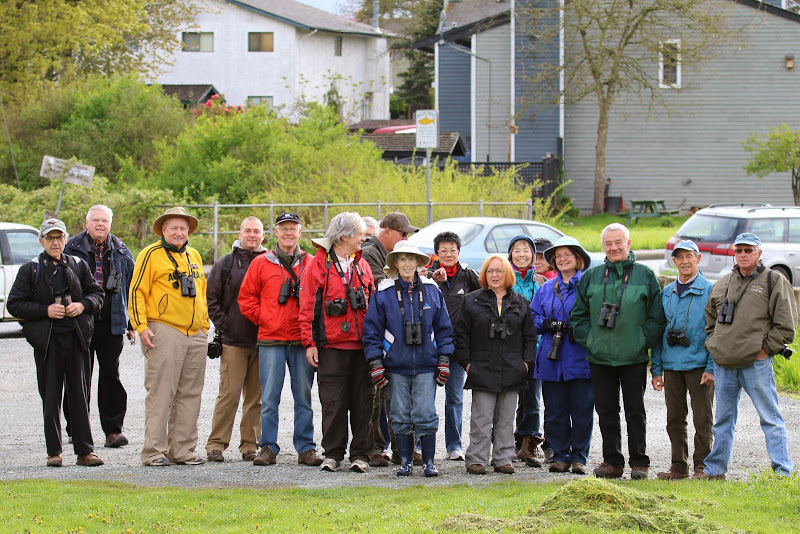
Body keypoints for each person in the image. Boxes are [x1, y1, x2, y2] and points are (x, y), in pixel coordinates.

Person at [696, 233, 797, 479]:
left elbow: (786, 325)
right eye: (739, 250)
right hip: (724, 364)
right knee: (722, 420)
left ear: (759, 253)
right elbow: (709, 321)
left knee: (770, 418)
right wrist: (714, 344)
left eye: (748, 250)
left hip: (756, 363)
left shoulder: (774, 281)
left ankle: (782, 472)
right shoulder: (723, 282)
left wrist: (764, 350)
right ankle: (715, 469)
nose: (743, 254)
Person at [571, 223, 665, 480]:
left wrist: (641, 340)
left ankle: (639, 462)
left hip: (633, 356)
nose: (613, 247)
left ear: (628, 243)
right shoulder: (592, 276)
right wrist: (590, 341)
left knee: (636, 410)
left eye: (618, 242)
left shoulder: (645, 275)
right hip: (600, 356)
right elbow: (577, 316)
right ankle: (612, 461)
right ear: (603, 247)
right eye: (608, 244)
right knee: (606, 410)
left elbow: (657, 317)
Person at [8, 218, 105, 467]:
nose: (55, 242)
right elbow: (15, 304)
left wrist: (82, 305)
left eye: (59, 237)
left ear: (66, 239)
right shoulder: (30, 269)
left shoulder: (78, 265)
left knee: (80, 397)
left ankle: (85, 451)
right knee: (51, 397)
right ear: (41, 241)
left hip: (76, 341)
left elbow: (97, 294)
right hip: (48, 344)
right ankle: (54, 452)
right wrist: (45, 310)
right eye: (50, 238)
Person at [238, 213, 323, 467]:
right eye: (283, 228)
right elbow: (246, 298)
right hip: (271, 339)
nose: (288, 233)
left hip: (301, 340)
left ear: (300, 232)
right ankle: (268, 446)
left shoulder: (310, 262)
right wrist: (265, 317)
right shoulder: (261, 263)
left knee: (304, 396)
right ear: (275, 232)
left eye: (293, 228)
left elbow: (321, 298)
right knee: (270, 397)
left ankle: (306, 447)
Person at [363, 241, 454, 476]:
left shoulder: (433, 290)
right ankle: (405, 461)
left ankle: (429, 462)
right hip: (395, 366)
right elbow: (372, 330)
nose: (407, 264)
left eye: (411, 259)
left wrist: (444, 359)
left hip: (426, 364)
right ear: (395, 263)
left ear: (418, 263)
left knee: (425, 413)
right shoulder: (382, 293)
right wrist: (375, 362)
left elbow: (444, 328)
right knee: (400, 415)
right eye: (402, 259)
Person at [129, 206, 209, 466]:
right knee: (161, 391)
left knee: (190, 393)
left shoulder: (194, 255)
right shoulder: (150, 255)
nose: (178, 232)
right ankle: (153, 451)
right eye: (173, 227)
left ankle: (182, 450)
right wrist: (141, 326)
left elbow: (202, 293)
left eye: (183, 228)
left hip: (194, 332)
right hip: (164, 328)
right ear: (163, 230)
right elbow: (136, 292)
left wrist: (204, 326)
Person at [299, 212, 375, 473]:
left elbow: (372, 304)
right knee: (333, 403)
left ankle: (361, 455)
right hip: (331, 347)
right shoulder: (318, 264)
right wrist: (310, 343)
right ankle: (332, 454)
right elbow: (308, 306)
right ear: (345, 236)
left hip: (363, 348)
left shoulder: (361, 264)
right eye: (360, 234)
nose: (363, 238)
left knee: (364, 403)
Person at [454, 254, 537, 475]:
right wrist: (468, 364)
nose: (494, 275)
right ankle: (477, 459)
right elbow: (460, 335)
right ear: (484, 275)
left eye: (499, 271)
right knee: (481, 418)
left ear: (507, 274)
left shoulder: (520, 302)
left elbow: (530, 337)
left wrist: (526, 364)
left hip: (512, 368)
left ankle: (503, 458)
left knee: (506, 418)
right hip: (482, 368)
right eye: (490, 271)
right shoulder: (471, 301)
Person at [62, 205, 135, 449]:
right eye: (96, 220)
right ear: (87, 222)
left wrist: (132, 323)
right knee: (79, 375)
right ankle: (76, 428)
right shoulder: (70, 247)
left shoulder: (122, 250)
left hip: (111, 323)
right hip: (79, 322)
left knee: (110, 376)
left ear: (110, 223)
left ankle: (113, 430)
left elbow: (132, 289)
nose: (100, 225)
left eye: (104, 221)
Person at [204, 216, 267, 463]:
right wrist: (225, 325)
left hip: (264, 342)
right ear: (239, 234)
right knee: (228, 396)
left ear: (263, 235)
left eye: (257, 231)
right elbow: (212, 300)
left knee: (255, 399)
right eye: (248, 231)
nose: (252, 235)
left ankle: (249, 445)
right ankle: (216, 444)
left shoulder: (271, 261)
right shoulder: (226, 264)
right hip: (234, 341)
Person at [651, 240, 715, 480]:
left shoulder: (709, 290)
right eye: (680, 257)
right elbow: (658, 332)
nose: (685, 261)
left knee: (703, 418)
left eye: (690, 256)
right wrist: (656, 369)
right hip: (671, 365)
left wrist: (711, 366)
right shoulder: (666, 292)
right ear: (674, 261)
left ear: (698, 259)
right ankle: (679, 465)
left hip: (699, 364)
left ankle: (704, 465)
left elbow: (715, 332)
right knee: (674, 418)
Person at [531, 237, 594, 475]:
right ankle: (560, 455)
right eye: (558, 256)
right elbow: (532, 319)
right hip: (551, 357)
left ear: (578, 259)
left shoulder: (587, 287)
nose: (562, 259)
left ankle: (579, 457)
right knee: (555, 410)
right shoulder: (546, 288)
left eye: (567, 255)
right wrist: (546, 323)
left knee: (582, 410)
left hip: (580, 357)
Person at [360, 211, 419, 467]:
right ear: (386, 231)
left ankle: (402, 448)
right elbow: (381, 286)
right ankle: (374, 448)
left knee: (399, 396)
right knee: (375, 395)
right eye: (402, 233)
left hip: (398, 333)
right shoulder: (369, 251)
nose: (406, 237)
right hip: (378, 330)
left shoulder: (386, 253)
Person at [428, 231, 481, 462]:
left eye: (453, 250)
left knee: (455, 397)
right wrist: (431, 276)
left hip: (459, 347)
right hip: (431, 347)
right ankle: (423, 445)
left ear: (459, 252)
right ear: (436, 254)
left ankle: (454, 445)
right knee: (426, 397)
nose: (448, 254)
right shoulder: (429, 277)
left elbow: (484, 300)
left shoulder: (469, 275)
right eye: (443, 251)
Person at [507, 235, 547, 466]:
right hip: (508, 349)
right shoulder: (503, 278)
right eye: (517, 250)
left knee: (532, 397)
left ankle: (528, 443)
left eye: (526, 250)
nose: (522, 254)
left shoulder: (540, 281)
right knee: (508, 398)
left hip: (536, 347)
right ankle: (505, 442)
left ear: (533, 255)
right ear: (510, 254)